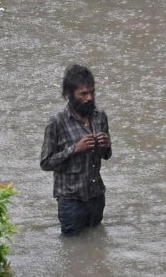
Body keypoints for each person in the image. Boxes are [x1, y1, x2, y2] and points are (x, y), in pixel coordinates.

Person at [39, 64, 111, 237]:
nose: (89, 98)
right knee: (72, 246)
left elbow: (107, 155)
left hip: (96, 196)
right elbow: (45, 162)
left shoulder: (100, 116)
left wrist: (106, 145)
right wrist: (75, 149)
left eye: (92, 92)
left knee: (97, 243)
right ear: (70, 95)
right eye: (83, 94)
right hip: (71, 201)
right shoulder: (57, 122)